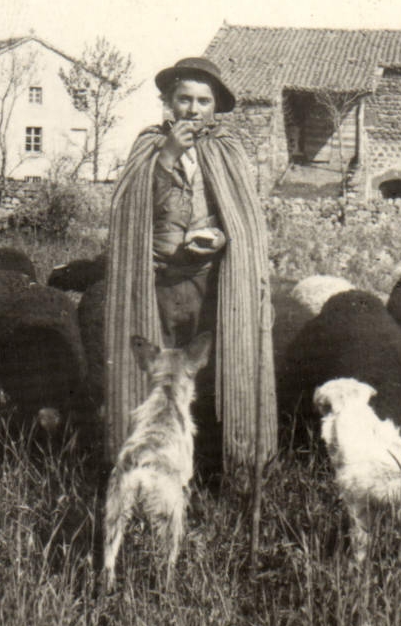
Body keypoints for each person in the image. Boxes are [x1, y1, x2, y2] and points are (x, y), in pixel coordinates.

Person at [102, 57, 276, 484]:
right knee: (156, 379)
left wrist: (220, 237)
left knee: (213, 376)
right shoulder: (149, 147)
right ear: (168, 102)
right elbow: (128, 207)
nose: (193, 109)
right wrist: (168, 156)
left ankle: (219, 471)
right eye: (184, 99)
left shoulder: (228, 151)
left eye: (203, 101)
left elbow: (242, 219)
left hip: (211, 287)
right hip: (155, 286)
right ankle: (152, 471)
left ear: (215, 107)